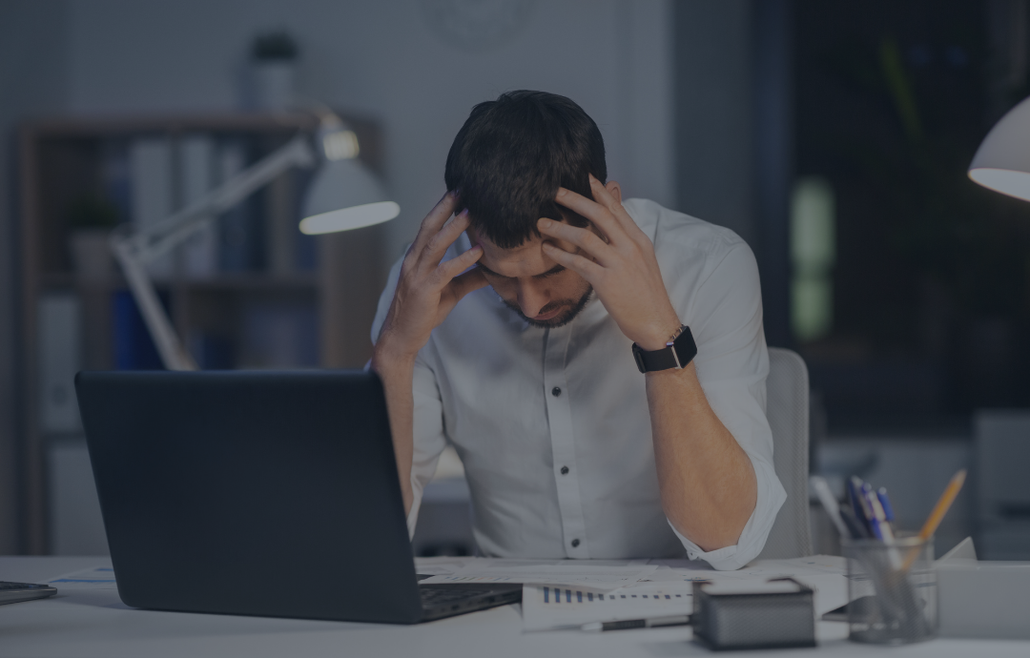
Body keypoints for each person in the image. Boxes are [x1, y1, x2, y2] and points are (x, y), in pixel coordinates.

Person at [370, 90, 785, 570]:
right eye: (500, 275)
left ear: (607, 208)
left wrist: (659, 335)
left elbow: (727, 538)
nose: (529, 302)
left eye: (551, 271)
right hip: (504, 614)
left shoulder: (709, 267)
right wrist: (395, 353)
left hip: (670, 610)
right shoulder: (422, 287)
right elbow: (372, 534)